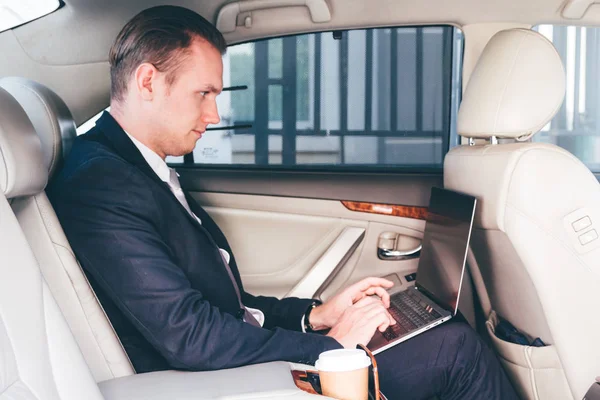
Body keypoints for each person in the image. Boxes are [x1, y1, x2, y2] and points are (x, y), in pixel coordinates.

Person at [48, 6, 518, 400]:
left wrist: (315, 316)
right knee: (455, 349)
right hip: (216, 383)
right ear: (148, 81)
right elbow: (190, 337)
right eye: (204, 94)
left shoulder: (139, 165)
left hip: (230, 362)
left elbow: (225, 306)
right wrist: (329, 348)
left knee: (437, 333)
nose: (213, 115)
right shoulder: (100, 184)